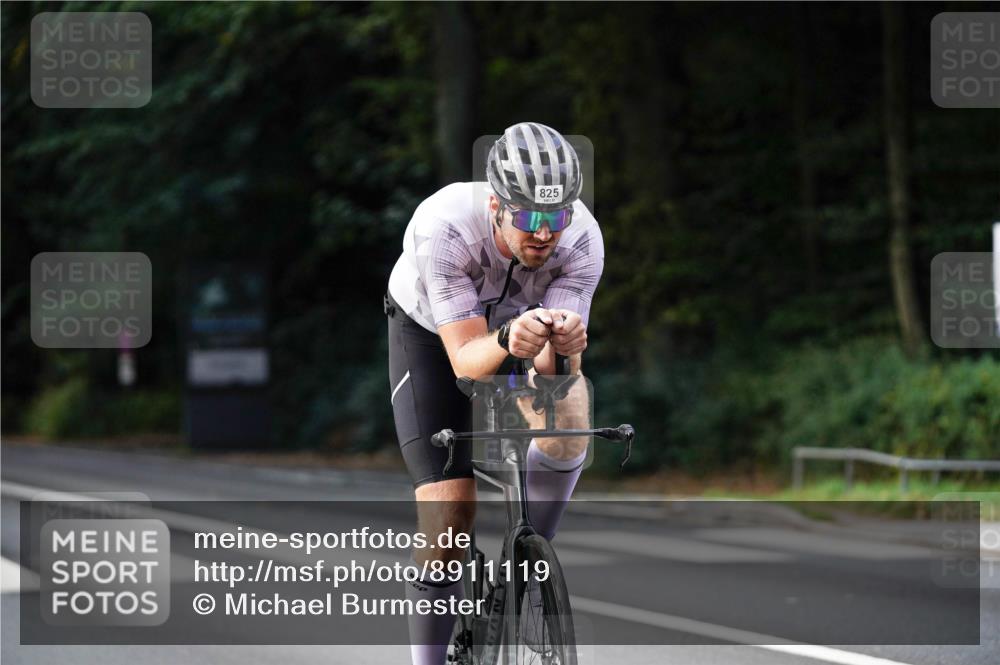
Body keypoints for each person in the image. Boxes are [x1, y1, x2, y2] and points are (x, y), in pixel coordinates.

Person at [385, 122, 604, 665]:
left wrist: (565, 346)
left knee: (570, 410)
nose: (544, 234)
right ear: (495, 207)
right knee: (450, 513)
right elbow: (465, 364)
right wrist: (508, 336)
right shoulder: (444, 227)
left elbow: (551, 377)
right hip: (435, 335)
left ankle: (528, 565)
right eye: (529, 218)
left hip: (518, 326)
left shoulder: (582, 239)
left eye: (555, 217)